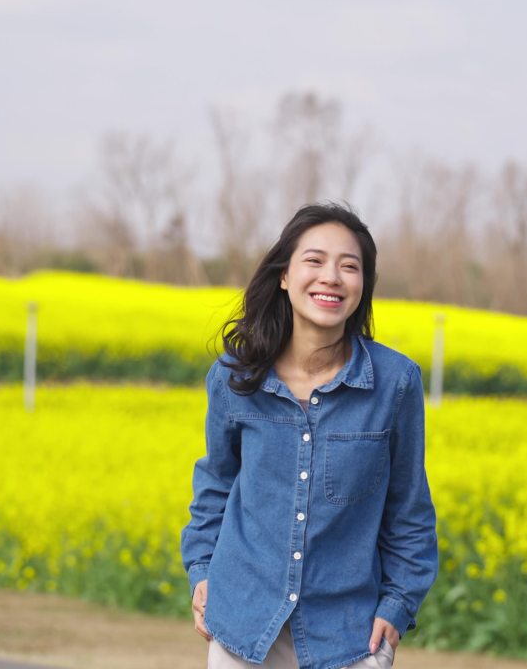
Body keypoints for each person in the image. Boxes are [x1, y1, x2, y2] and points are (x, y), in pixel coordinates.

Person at [181, 203, 438, 669]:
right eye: (315, 261)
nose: (332, 277)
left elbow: (409, 508)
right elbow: (216, 483)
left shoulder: (396, 382)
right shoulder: (234, 378)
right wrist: (201, 569)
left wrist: (398, 606)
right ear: (284, 275)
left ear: (363, 285)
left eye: (349, 266)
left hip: (350, 635)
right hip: (241, 624)